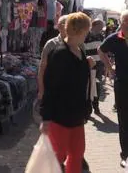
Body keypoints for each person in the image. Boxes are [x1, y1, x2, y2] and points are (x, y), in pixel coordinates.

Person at [40, 12, 92, 173]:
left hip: (76, 115)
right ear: (80, 30)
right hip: (59, 116)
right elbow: (51, 87)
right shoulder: (60, 54)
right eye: (87, 30)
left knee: (77, 154)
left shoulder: (80, 51)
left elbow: (79, 80)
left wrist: (87, 66)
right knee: (58, 156)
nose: (88, 33)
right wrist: (46, 118)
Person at [98, 10, 128, 168]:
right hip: (122, 83)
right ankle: (125, 154)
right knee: (124, 120)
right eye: (126, 22)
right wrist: (109, 68)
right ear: (121, 23)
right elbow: (100, 51)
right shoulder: (115, 38)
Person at [38, 15, 68, 100]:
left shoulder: (78, 44)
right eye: (66, 24)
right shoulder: (51, 44)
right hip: (52, 87)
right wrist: (41, 90)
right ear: (59, 26)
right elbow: (42, 68)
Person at [84, 19, 104, 114]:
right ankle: (87, 108)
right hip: (88, 65)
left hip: (99, 65)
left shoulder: (101, 36)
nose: (102, 28)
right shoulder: (86, 35)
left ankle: (96, 107)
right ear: (95, 25)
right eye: (101, 25)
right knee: (88, 86)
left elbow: (103, 50)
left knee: (97, 86)